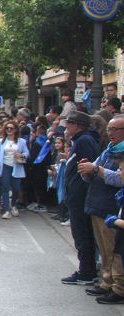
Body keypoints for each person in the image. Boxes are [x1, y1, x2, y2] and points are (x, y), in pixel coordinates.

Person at [76, 114, 124, 304]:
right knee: (104, 249)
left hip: (111, 206)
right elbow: (94, 168)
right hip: (98, 202)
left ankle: (118, 287)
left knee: (114, 249)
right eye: (109, 129)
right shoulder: (109, 150)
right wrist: (86, 170)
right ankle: (107, 282)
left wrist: (96, 170)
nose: (110, 132)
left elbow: (120, 179)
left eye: (115, 129)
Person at [60, 111, 101, 285]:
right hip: (76, 195)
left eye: (68, 123)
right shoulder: (80, 140)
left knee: (82, 233)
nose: (66, 127)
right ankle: (86, 268)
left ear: (77, 125)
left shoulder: (84, 141)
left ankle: (87, 271)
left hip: (81, 196)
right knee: (81, 234)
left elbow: (88, 168)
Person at [0, 121, 27, 219]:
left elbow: (27, 153)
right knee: (5, 187)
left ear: (15, 130)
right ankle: (7, 209)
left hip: (17, 166)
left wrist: (21, 155)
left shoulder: (21, 141)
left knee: (16, 188)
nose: (9, 130)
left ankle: (13, 205)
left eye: (11, 128)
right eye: (7, 128)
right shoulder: (1, 141)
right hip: (5, 166)